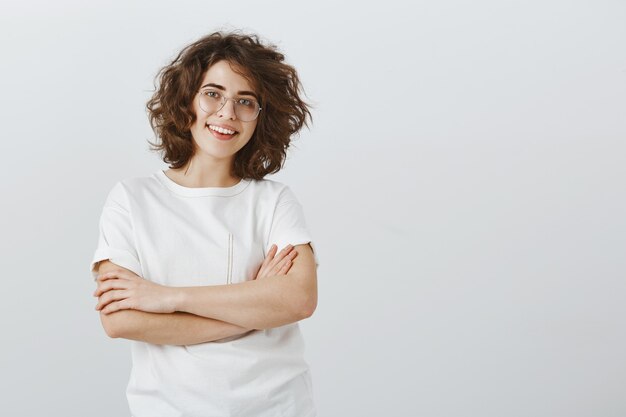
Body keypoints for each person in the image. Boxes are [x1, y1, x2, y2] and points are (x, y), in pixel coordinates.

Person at [89, 31, 319, 417]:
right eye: (213, 93)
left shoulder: (274, 201)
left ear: (262, 117)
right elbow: (120, 319)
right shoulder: (131, 199)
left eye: (246, 101)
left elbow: (299, 299)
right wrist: (253, 307)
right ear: (187, 100)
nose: (227, 113)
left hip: (276, 407)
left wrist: (166, 298)